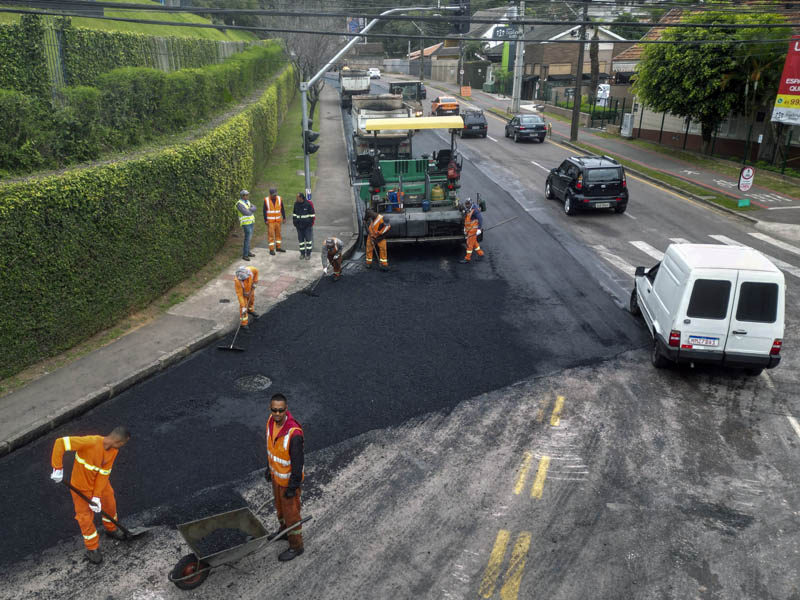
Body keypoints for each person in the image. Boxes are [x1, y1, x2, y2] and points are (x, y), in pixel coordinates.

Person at [50, 427, 131, 565]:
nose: (122, 447)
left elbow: (103, 474)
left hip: (100, 484)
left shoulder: (113, 451)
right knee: (84, 517)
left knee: (109, 502)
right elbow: (60, 443)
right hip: (81, 487)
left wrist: (97, 496)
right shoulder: (90, 442)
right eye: (123, 444)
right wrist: (57, 468)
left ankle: (111, 528)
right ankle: (92, 548)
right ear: (117, 441)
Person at [264, 393, 305, 562]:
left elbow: (298, 464)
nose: (277, 413)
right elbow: (271, 448)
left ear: (286, 410)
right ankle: (284, 532)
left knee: (291, 514)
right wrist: (269, 468)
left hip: (288, 483)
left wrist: (292, 487)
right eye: (274, 410)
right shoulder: (270, 422)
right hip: (276, 477)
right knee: (280, 510)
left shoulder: (293, 434)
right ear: (270, 409)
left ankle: (296, 546)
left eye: (281, 410)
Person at [235, 265, 259, 331]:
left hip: (251, 290)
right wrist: (243, 306)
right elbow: (239, 295)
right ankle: (244, 323)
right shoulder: (237, 281)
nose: (245, 280)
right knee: (244, 307)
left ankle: (250, 310)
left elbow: (256, 272)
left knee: (251, 300)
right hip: (243, 294)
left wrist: (255, 282)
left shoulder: (251, 270)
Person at [460, 198, 484, 264]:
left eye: (468, 204)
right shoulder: (469, 210)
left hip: (473, 230)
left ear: (471, 203)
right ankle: (481, 254)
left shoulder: (475, 210)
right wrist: (465, 229)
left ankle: (467, 258)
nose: (467, 205)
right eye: (466, 204)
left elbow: (480, 219)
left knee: (469, 244)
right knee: (474, 243)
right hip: (470, 230)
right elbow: (468, 221)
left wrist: (479, 229)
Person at [263, 187, 286, 256]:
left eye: (275, 194)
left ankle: (278, 247)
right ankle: (271, 249)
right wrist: (265, 220)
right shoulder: (266, 200)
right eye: (273, 195)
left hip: (278, 221)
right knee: (271, 235)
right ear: (270, 194)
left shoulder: (279, 199)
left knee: (278, 234)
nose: (275, 196)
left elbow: (282, 208)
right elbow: (264, 211)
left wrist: (284, 217)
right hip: (270, 222)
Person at [292, 193, 316, 260]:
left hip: (307, 227)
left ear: (301, 198)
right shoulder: (296, 204)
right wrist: (295, 223)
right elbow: (294, 214)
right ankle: (302, 254)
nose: (296, 199)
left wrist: (310, 224)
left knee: (308, 241)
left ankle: (308, 254)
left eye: (297, 198)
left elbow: (312, 215)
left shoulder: (308, 204)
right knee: (301, 241)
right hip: (299, 227)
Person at [236, 190, 257, 261]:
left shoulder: (247, 201)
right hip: (246, 223)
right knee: (247, 238)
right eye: (246, 195)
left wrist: (250, 209)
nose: (248, 196)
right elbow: (246, 213)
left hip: (251, 222)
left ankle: (248, 252)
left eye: (248, 194)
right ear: (243, 196)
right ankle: (245, 255)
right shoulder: (239, 204)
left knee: (249, 238)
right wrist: (251, 210)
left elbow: (255, 207)